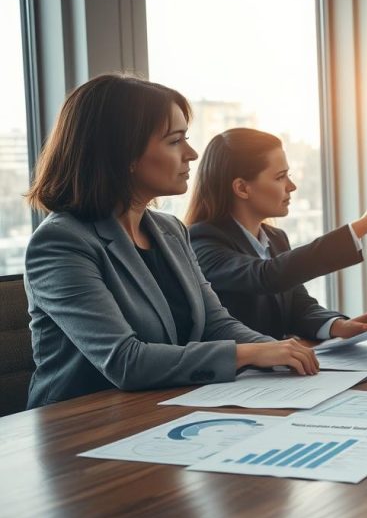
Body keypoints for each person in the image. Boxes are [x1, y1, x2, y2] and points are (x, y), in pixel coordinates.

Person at [24, 75, 320, 409]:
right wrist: (250, 353)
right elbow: (125, 362)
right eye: (175, 141)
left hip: (164, 407)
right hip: (81, 426)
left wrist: (281, 353)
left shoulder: (169, 230)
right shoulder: (60, 242)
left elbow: (215, 324)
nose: (192, 154)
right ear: (125, 154)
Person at [185, 128, 367, 341]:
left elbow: (299, 306)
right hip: (239, 379)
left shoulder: (275, 238)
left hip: (280, 373)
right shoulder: (202, 242)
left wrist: (338, 325)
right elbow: (267, 276)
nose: (292, 186)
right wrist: (363, 226)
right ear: (242, 188)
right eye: (280, 177)